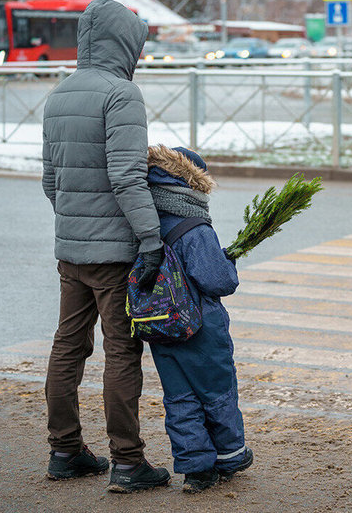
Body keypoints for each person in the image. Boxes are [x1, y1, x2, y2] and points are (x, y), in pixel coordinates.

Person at [42, 0, 171, 493]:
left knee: (67, 347)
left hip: (71, 253)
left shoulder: (59, 95)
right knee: (122, 351)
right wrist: (150, 238)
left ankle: (65, 450)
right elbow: (127, 177)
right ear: (125, 43)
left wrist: (75, 224)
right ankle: (128, 462)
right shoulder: (122, 94)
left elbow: (51, 182)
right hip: (116, 257)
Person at [144, 144, 252, 494]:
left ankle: (195, 470)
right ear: (193, 185)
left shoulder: (147, 224)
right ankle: (230, 456)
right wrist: (227, 261)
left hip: (162, 327)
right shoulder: (195, 228)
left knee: (180, 399)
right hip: (201, 327)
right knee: (217, 392)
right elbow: (218, 280)